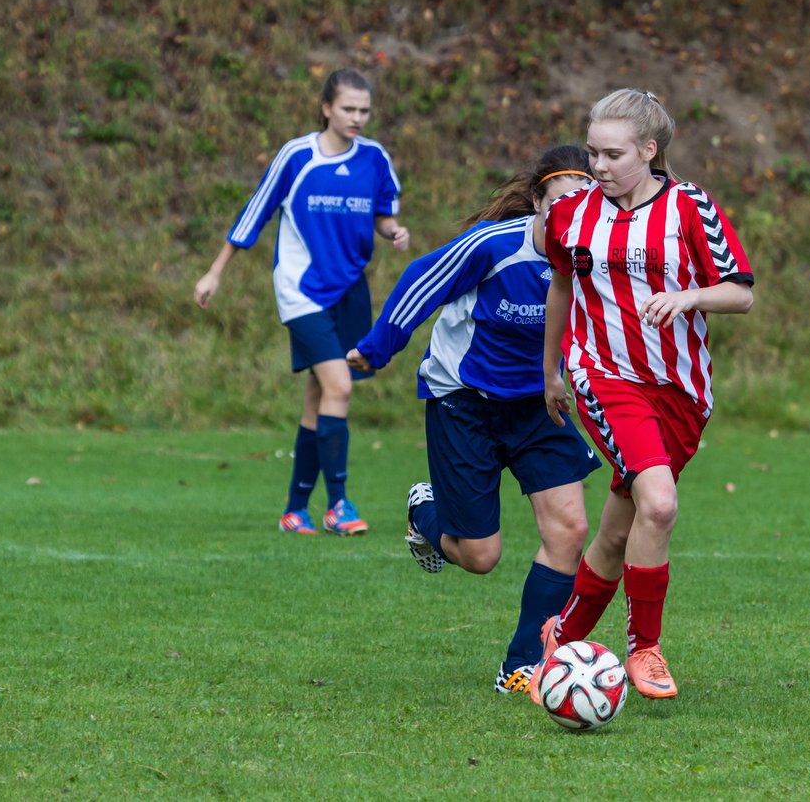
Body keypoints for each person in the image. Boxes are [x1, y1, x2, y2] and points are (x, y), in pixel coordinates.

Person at [347, 145, 601, 694]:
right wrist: (378, 348)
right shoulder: (493, 246)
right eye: (559, 202)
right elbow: (422, 278)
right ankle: (426, 512)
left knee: (570, 529)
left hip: (540, 404)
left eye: (583, 203)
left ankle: (523, 664)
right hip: (465, 400)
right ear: (537, 202)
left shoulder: (593, 256)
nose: (570, 214)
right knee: (481, 557)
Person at [530, 89, 754, 703]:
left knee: (618, 527)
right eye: (593, 151)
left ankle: (563, 638)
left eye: (612, 154)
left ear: (650, 151)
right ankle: (644, 649)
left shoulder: (691, 207)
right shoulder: (569, 215)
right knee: (658, 504)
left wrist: (691, 297)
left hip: (682, 392)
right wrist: (553, 372)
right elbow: (559, 291)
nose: (597, 165)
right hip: (604, 376)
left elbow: (740, 292)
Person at [194, 67, 409, 536]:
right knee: (340, 387)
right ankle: (339, 505)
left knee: (319, 398)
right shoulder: (297, 156)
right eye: (348, 108)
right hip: (301, 291)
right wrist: (215, 271)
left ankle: (295, 510)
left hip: (350, 290)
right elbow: (255, 212)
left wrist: (394, 231)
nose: (357, 118)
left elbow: (383, 215)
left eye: (364, 110)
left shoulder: (374, 158)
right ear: (326, 108)